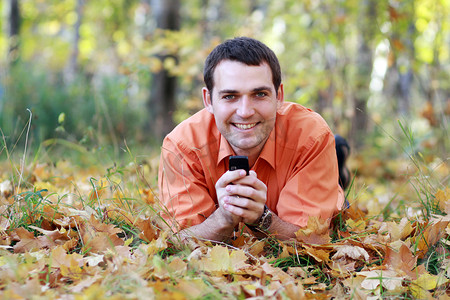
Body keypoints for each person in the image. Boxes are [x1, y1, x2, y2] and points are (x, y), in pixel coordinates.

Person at [158, 37, 347, 242]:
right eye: (230, 96)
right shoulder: (181, 146)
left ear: (279, 96)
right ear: (208, 101)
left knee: (335, 210)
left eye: (259, 94)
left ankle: (335, 167)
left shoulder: (311, 136)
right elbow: (178, 241)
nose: (245, 112)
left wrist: (261, 219)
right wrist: (223, 217)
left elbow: (312, 240)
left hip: (305, 158)